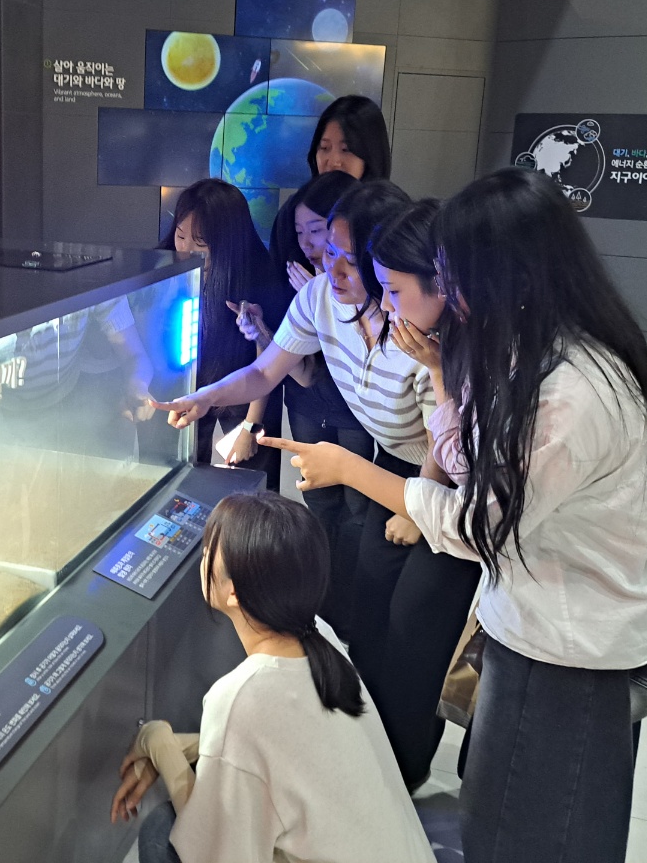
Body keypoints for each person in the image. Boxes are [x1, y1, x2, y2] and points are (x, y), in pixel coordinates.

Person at [268, 169, 647, 863]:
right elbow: (483, 466)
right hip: (567, 619)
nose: (448, 294)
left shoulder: (570, 393)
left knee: (530, 830)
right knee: (532, 809)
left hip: (575, 646)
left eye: (453, 276)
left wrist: (351, 470)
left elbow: (478, 525)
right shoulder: (544, 346)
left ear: (508, 276)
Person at [155, 183, 464, 789]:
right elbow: (265, 370)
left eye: (349, 257)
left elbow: (446, 434)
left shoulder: (421, 324)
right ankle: (366, 754)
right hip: (390, 461)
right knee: (367, 608)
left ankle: (402, 769)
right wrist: (206, 398)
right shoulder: (323, 298)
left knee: (412, 626)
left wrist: (415, 505)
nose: (331, 267)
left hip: (442, 475)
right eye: (328, 251)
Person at [110, 492, 436, 863]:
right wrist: (180, 747)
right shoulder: (322, 638)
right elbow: (275, 756)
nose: (203, 558)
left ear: (234, 592)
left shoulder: (242, 697)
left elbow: (213, 849)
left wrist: (157, 741)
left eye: (208, 552)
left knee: (160, 833)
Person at [244, 171, 369, 637]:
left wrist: (325, 293)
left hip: (354, 413)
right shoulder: (300, 280)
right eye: (300, 232)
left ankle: (351, 611)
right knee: (319, 507)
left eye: (317, 231)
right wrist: (262, 331)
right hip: (307, 404)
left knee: (357, 509)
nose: (309, 243)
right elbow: (297, 370)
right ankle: (324, 610)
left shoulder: (351, 284)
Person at [160, 179, 288, 490]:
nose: (186, 249)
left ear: (227, 242)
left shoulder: (259, 276)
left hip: (245, 390)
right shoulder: (166, 265)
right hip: (191, 384)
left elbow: (265, 363)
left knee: (250, 482)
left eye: (200, 243)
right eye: (180, 236)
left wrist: (250, 426)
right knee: (183, 475)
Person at [269, 94, 393, 260]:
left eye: (346, 150)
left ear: (371, 155)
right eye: (325, 148)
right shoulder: (295, 209)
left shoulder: (387, 219)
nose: (333, 162)